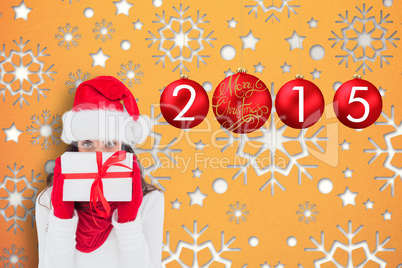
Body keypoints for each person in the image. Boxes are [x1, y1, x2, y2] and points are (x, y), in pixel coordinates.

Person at [35, 76, 164, 268]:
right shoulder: (48, 201)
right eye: (87, 143)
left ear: (123, 146)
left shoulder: (150, 200)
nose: (98, 155)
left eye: (110, 143)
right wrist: (62, 218)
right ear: (76, 145)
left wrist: (128, 221)